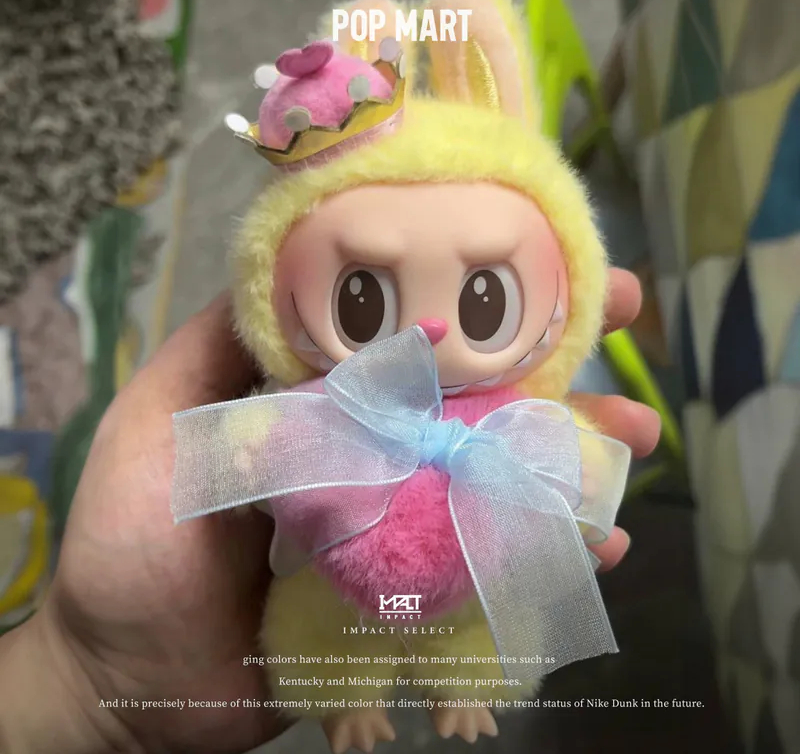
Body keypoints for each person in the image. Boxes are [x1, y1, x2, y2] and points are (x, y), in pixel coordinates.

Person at [0, 269, 660, 754]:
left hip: (468, 589)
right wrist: (246, 451)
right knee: (321, 635)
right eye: (361, 298)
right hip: (329, 585)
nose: (431, 327)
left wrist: (576, 478)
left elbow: (574, 460)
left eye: (485, 298)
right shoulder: (327, 408)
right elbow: (251, 442)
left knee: (473, 633)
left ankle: (460, 687)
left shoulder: (517, 417)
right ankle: (344, 700)